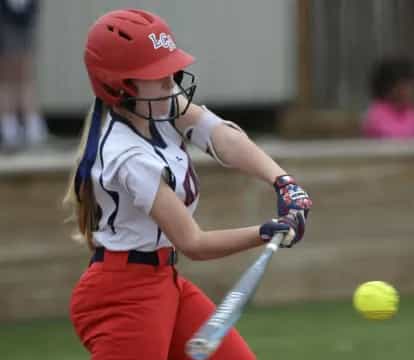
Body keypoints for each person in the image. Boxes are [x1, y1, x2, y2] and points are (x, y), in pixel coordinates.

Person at [64, 9, 312, 360]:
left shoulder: (158, 106)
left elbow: (221, 137)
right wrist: (265, 232)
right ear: (121, 86)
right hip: (121, 295)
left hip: (163, 278)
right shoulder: (128, 155)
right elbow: (193, 242)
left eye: (171, 70)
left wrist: (283, 182)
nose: (171, 82)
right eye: (158, 75)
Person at [0, 0, 48, 150]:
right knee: (7, 75)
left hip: (26, 14)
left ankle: (32, 123)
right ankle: (9, 125)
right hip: (5, 15)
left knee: (25, 73)